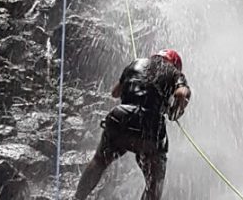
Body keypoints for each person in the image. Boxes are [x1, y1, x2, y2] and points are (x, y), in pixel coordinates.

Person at [74, 49, 191, 200]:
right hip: (150, 129)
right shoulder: (175, 73)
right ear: (175, 64)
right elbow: (182, 92)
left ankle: (77, 198)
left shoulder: (136, 63)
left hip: (120, 119)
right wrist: (175, 109)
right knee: (154, 182)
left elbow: (115, 92)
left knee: (99, 161)